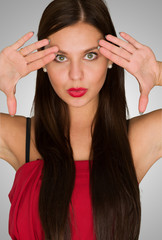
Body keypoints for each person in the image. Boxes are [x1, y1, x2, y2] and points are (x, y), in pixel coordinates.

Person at [0, 0, 162, 239]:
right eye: (61, 58)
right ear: (43, 63)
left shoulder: (137, 140)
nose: (76, 75)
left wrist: (158, 72)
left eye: (90, 55)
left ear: (110, 59)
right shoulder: (17, 136)